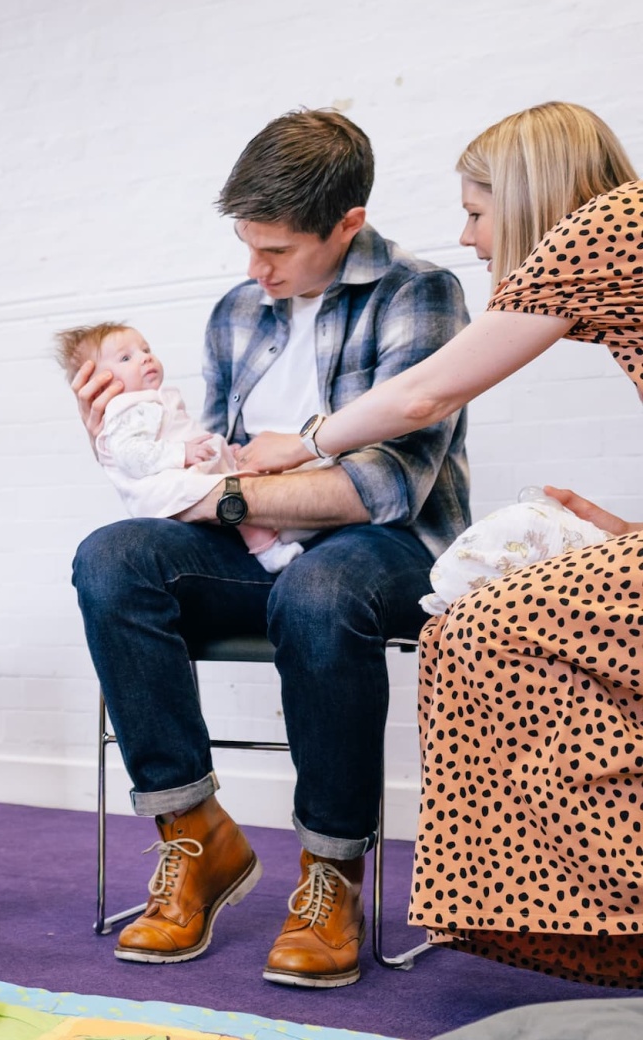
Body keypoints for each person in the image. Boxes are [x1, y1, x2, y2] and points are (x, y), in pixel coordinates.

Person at [239, 101, 642, 987]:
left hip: (373, 536)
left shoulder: (601, 228)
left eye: (476, 211)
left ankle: (594, 915)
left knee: (472, 629)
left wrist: (303, 442)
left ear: (533, 195)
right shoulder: (627, 236)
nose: (467, 237)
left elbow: (424, 397)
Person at [69, 109, 472, 988]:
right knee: (110, 559)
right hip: (260, 550)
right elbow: (203, 466)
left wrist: (230, 495)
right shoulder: (235, 312)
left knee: (319, 591)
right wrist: (123, 441)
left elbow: (386, 486)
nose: (256, 270)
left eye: (278, 250)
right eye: (247, 246)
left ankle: (332, 869)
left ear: (347, 225)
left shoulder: (420, 293)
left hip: (388, 550)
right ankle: (196, 834)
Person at [55, 321, 302, 572]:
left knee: (245, 484)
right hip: (167, 489)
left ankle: (283, 530)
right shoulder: (128, 411)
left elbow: (183, 434)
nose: (145, 358)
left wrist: (222, 452)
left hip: (183, 474)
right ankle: (268, 550)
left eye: (146, 350)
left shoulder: (152, 400)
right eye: (126, 358)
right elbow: (132, 456)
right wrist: (182, 453)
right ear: (99, 385)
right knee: (235, 494)